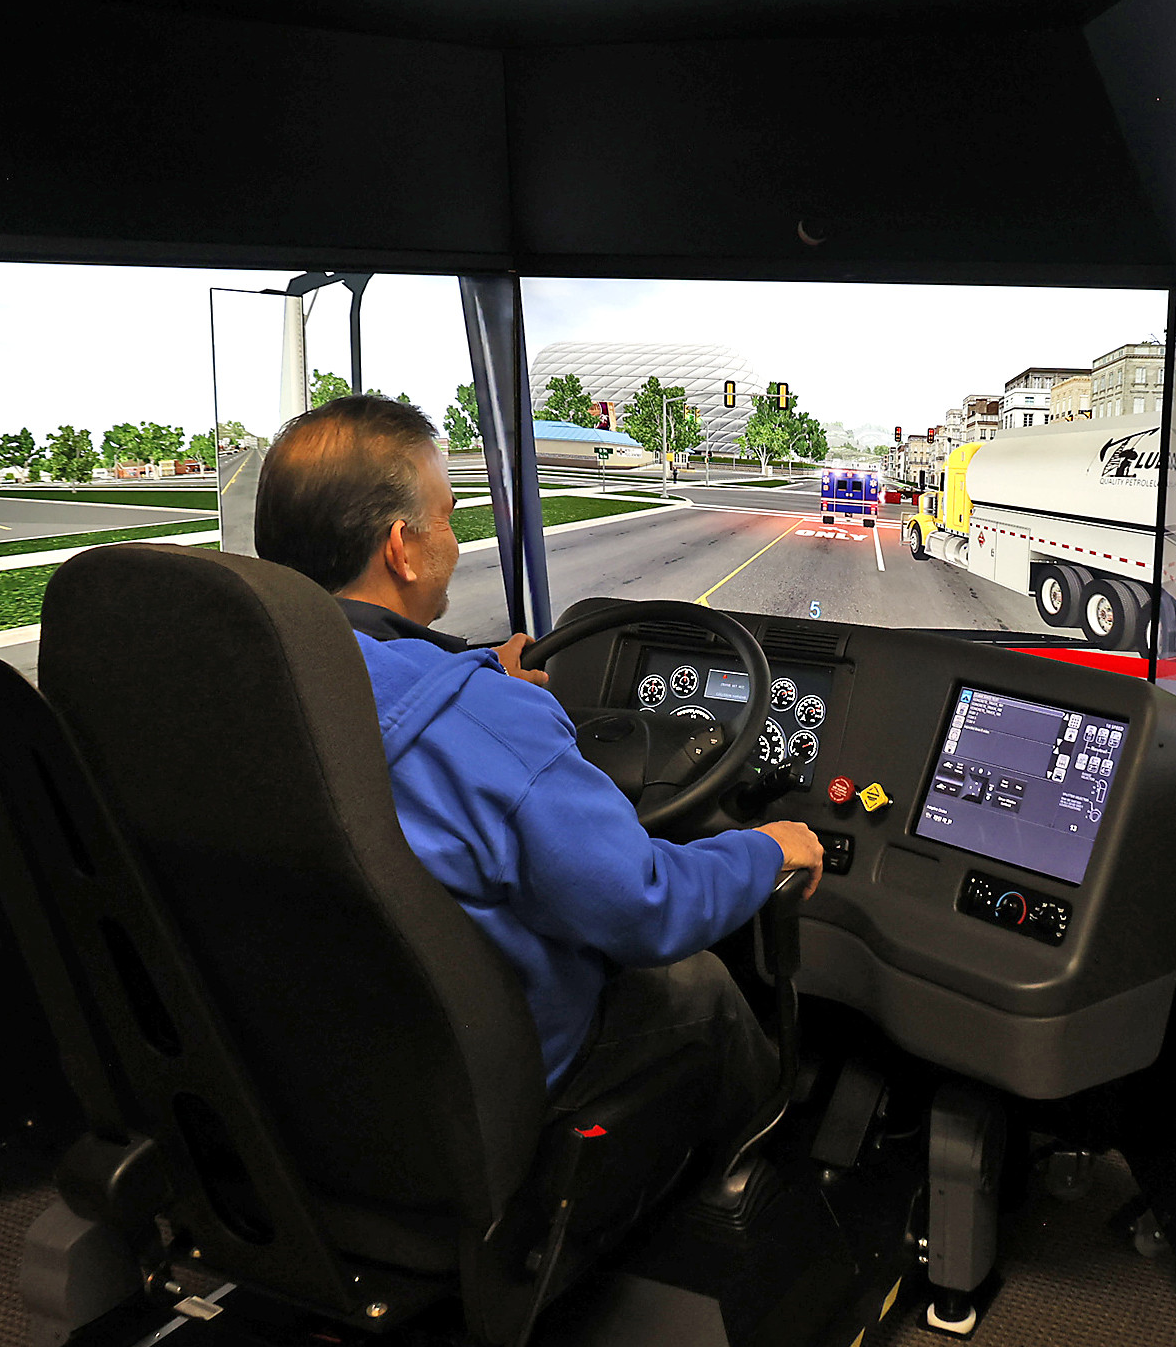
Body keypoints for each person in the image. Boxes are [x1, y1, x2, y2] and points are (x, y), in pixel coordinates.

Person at [252, 395, 825, 1140]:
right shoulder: (486, 722)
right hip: (481, 1083)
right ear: (400, 548)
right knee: (699, 987)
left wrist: (470, 673)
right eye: (448, 519)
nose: (452, 542)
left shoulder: (230, 685)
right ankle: (752, 1173)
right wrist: (767, 848)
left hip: (295, 1061)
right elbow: (643, 909)